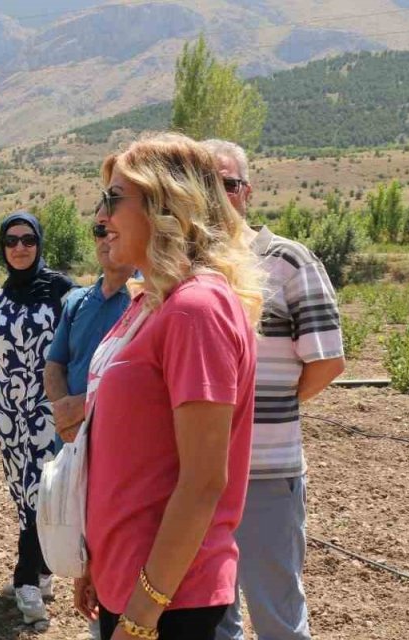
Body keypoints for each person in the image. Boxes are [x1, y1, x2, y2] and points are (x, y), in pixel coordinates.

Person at [71, 132, 264, 640]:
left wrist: (142, 613)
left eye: (114, 199)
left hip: (171, 601)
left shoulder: (196, 309)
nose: (101, 217)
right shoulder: (150, 303)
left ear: (164, 204)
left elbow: (202, 483)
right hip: (129, 578)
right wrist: (97, 558)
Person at [203, 140, 345, 640]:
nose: (216, 197)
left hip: (265, 469)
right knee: (211, 615)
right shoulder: (186, 266)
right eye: (204, 184)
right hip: (196, 476)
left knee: (277, 612)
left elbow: (326, 359)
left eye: (227, 184)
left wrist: (260, 412)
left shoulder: (289, 260)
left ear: (247, 192)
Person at [0, 211, 75, 626]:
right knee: (24, 499)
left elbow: (81, 346)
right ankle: (44, 574)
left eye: (28, 240)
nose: (19, 248)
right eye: (11, 241)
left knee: (42, 495)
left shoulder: (63, 293)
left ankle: (26, 581)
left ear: (40, 243)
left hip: (49, 416)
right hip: (9, 419)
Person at [45, 231, 135, 445]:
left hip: (120, 441)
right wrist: (67, 417)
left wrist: (84, 407)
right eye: (100, 230)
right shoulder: (76, 302)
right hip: (70, 441)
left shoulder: (148, 303)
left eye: (117, 230)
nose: (108, 238)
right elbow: (54, 366)